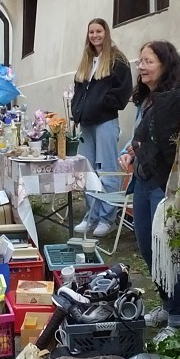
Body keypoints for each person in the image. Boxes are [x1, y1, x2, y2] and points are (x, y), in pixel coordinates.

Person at [118, 41, 180, 342]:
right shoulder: (147, 99)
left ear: (165, 64)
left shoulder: (173, 100)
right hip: (143, 182)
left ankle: (177, 317)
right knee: (148, 249)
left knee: (166, 251)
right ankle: (164, 305)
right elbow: (143, 138)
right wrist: (130, 153)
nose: (142, 66)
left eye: (148, 61)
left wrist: (141, 151)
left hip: (162, 184)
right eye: (141, 61)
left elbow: (171, 145)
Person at [71, 19, 132, 238]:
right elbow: (78, 91)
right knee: (87, 172)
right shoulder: (87, 61)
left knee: (106, 170)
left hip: (105, 122)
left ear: (106, 33)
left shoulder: (117, 60)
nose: (95, 35)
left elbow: (123, 91)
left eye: (99, 31)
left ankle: (107, 217)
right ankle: (91, 215)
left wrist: (101, 105)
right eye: (91, 32)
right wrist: (77, 111)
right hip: (86, 124)